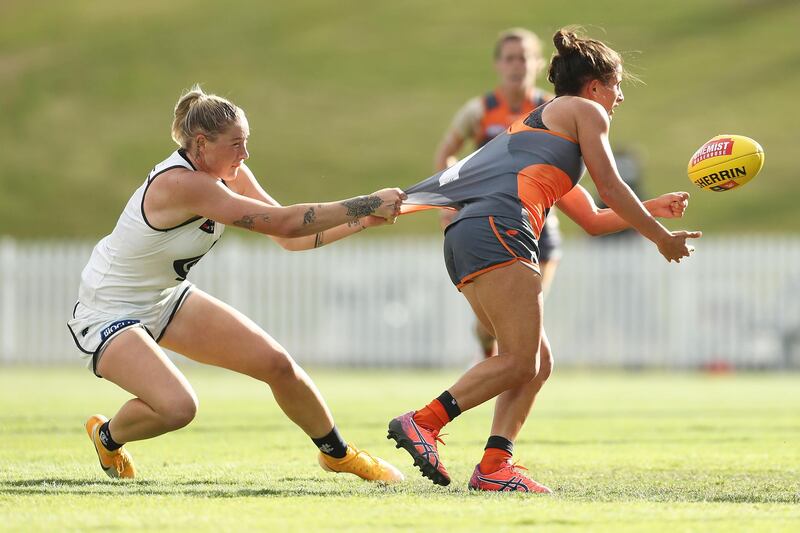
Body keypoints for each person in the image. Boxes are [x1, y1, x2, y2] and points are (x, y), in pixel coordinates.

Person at [389, 28, 701, 492]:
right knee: (520, 361)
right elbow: (612, 186)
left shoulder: (548, 134)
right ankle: (423, 422)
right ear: (594, 85)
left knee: (537, 361)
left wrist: (651, 208)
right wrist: (660, 239)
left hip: (468, 233)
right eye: (616, 86)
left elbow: (594, 217)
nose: (618, 98)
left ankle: (495, 466)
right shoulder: (586, 111)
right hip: (498, 229)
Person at [67, 85, 406, 483]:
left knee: (278, 365)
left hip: (164, 298)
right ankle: (107, 437)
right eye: (237, 144)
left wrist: (361, 221)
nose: (245, 155)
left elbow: (290, 238)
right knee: (179, 407)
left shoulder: (231, 173)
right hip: (108, 308)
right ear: (201, 144)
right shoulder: (184, 184)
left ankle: (338, 455)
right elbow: (285, 222)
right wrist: (367, 201)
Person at [433, 28, 561, 359]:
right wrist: (449, 203)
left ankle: (509, 375)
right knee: (497, 324)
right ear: (498, 65)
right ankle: (491, 356)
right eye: (510, 58)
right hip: (493, 220)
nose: (517, 66)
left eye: (524, 58)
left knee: (529, 315)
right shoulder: (480, 111)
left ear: (537, 63)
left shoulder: (551, 107)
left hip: (540, 223)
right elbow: (445, 155)